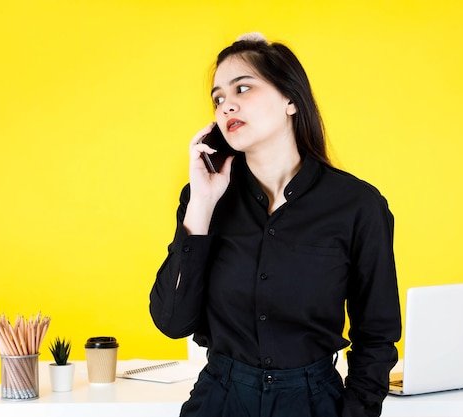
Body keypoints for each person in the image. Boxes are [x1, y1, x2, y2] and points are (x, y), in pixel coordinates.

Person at [150, 33, 401, 417]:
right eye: (218, 99)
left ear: (290, 100)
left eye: (243, 88)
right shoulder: (204, 199)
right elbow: (172, 321)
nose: (226, 106)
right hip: (220, 400)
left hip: (314, 403)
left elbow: (377, 335)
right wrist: (200, 204)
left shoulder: (357, 206)